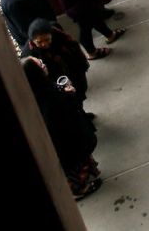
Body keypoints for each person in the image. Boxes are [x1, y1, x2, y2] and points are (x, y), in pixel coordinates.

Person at [22, 57, 100, 199]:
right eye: (39, 63)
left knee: (74, 166)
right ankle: (80, 189)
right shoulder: (49, 97)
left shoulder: (33, 94)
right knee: (75, 167)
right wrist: (70, 94)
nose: (42, 62)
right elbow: (65, 112)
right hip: (69, 142)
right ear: (36, 73)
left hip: (62, 144)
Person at [23, 18, 90, 108]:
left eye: (47, 40)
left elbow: (73, 49)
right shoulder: (29, 54)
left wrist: (81, 68)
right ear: (33, 40)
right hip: (54, 80)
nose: (44, 44)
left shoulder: (58, 34)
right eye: (39, 42)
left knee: (79, 93)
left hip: (71, 69)